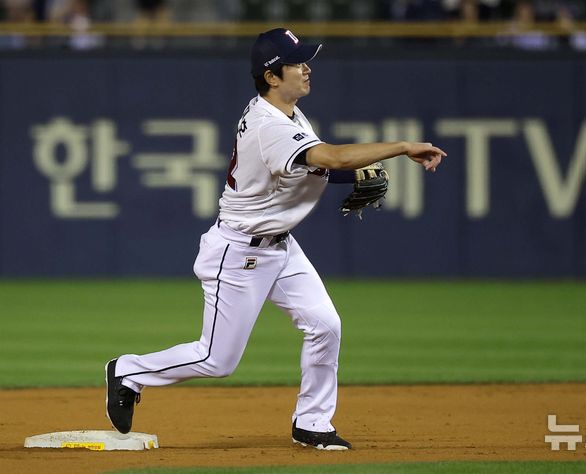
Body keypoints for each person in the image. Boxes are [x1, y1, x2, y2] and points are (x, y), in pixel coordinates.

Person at [104, 27, 445, 451]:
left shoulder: (287, 112)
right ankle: (129, 372)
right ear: (271, 76)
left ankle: (312, 423)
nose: (306, 68)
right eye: (296, 62)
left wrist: (350, 173)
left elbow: (316, 166)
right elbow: (332, 157)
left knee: (325, 325)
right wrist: (403, 146)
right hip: (239, 251)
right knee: (216, 360)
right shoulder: (269, 124)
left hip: (281, 246)